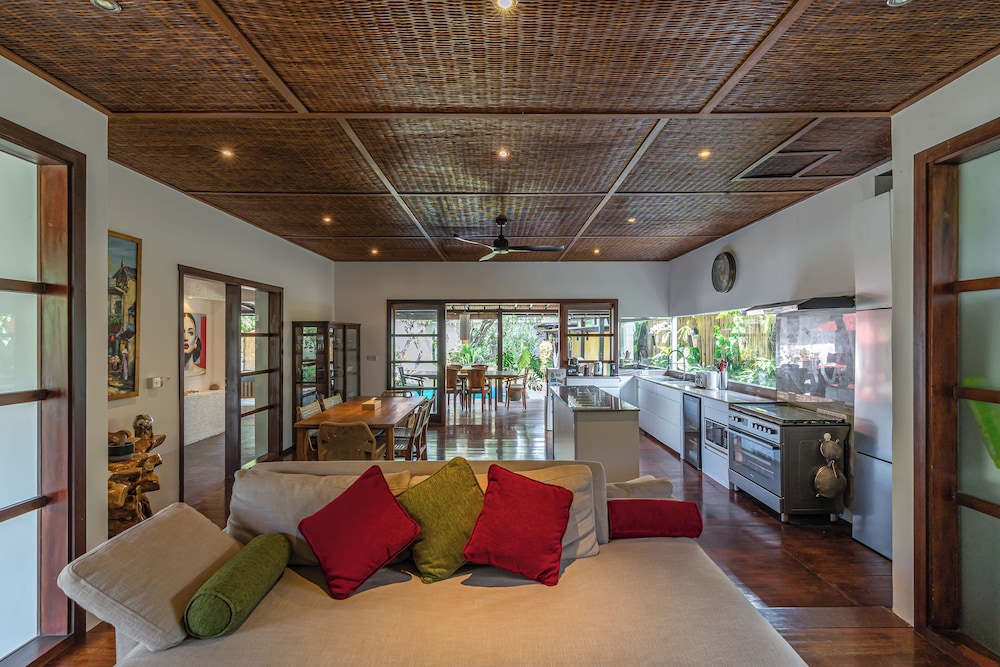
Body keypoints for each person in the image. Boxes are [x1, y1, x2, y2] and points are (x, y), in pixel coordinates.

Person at [183, 312, 206, 376]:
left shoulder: (202, 373)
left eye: (190, 332)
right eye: (181, 332)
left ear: (195, 339)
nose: (185, 338)